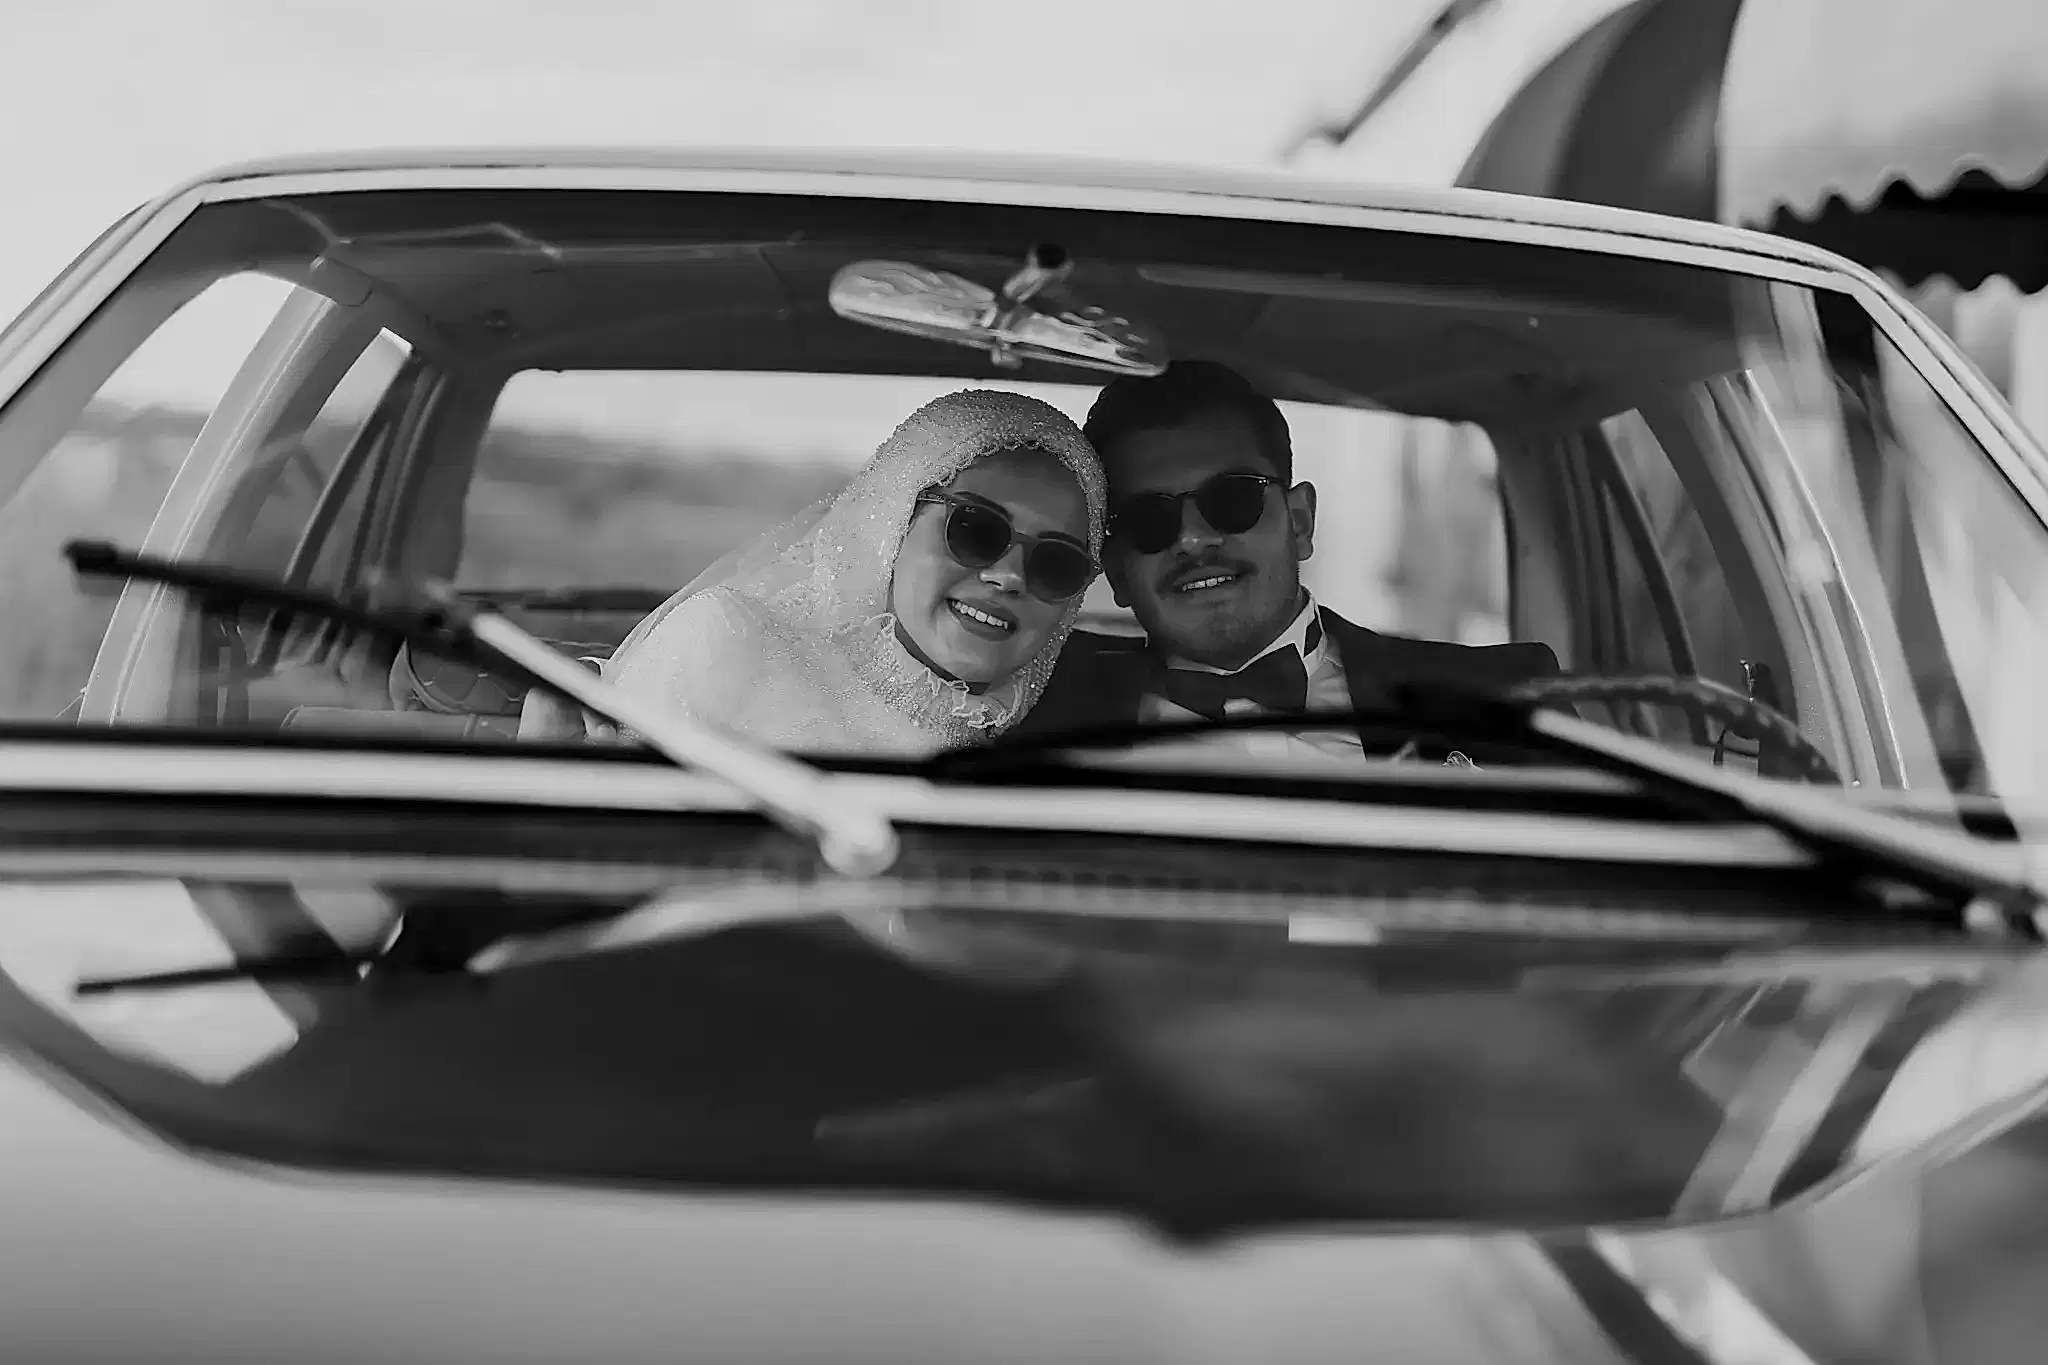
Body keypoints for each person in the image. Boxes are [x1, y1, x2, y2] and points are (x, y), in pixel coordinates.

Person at [1017, 361, 1558, 758]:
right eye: (1149, 520)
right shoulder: (1025, 702)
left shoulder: (1502, 701)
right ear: (1114, 569)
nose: (1194, 539)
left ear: (1299, 522)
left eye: (1233, 500)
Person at [593, 389, 1106, 755]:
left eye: (1057, 563)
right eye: (976, 530)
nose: (1010, 576)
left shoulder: (1060, 747)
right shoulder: (728, 641)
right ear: (892, 523)